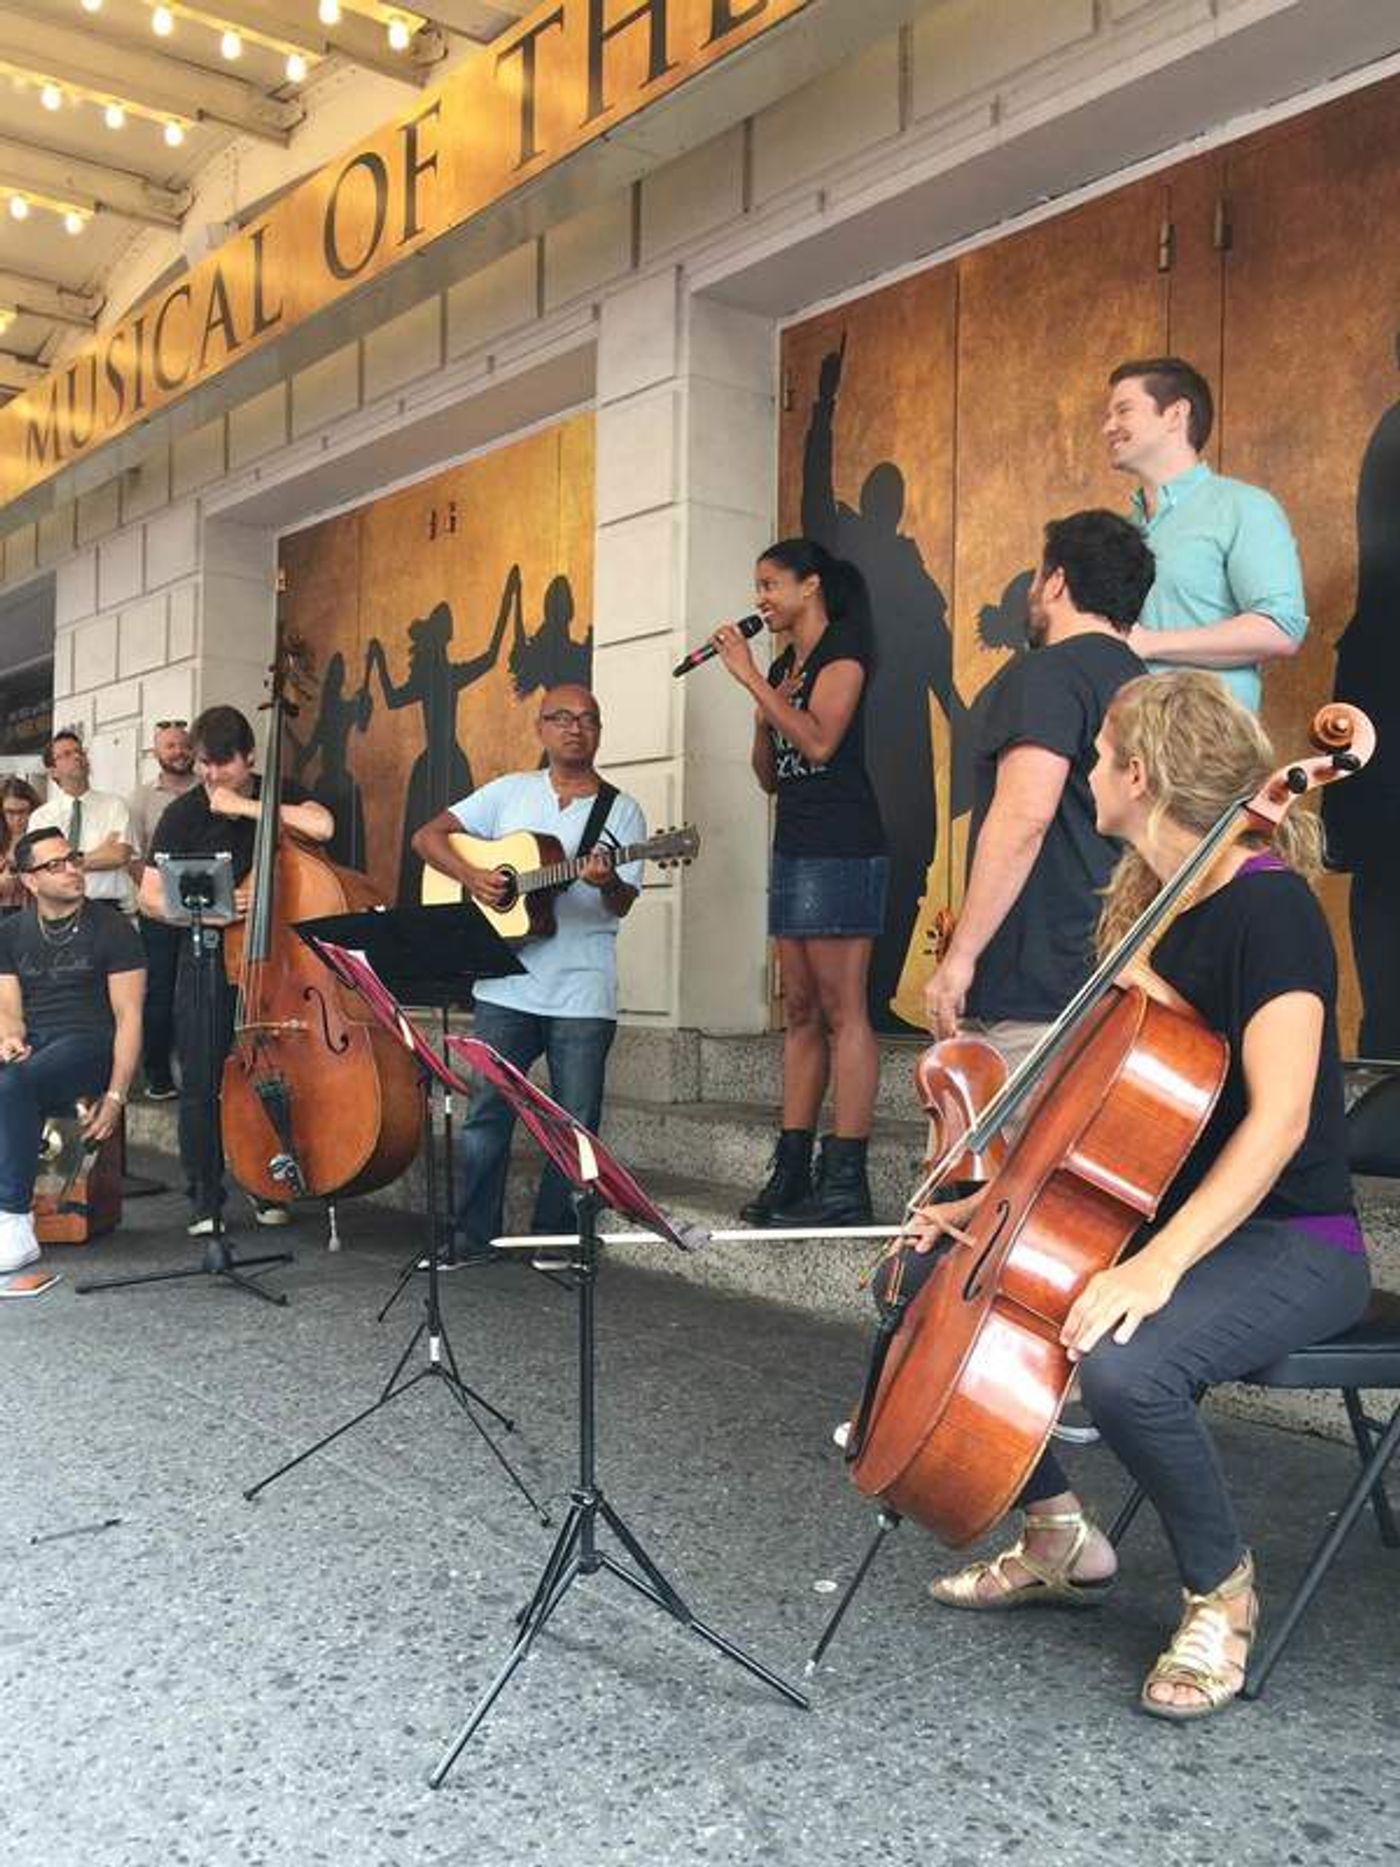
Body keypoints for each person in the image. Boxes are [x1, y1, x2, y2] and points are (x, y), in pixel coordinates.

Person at [919, 671, 1371, 1723]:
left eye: (1098, 754)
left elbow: (1280, 1122)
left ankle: (1220, 1591)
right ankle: (1055, 1536)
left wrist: (1157, 1263)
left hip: (1291, 1239)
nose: (1084, 773)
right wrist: (990, 1206)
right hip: (1179, 1221)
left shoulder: (1270, 908)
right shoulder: (1156, 916)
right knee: (949, 1280)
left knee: (1123, 1369)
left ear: (1140, 772)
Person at [412, 683, 645, 1261]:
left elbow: (622, 903)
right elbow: (427, 837)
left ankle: (557, 1236)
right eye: (562, 718)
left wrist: (606, 880)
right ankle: (473, 1236)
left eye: (589, 719)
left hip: (582, 991)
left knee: (573, 1125)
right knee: (487, 1114)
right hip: (506, 985)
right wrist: (472, 879)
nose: (575, 728)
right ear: (541, 728)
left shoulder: (623, 810)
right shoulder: (509, 793)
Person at [924, 510, 1151, 1072]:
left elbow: (1024, 816)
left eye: (1036, 576)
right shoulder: (1147, 683)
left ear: (1056, 582)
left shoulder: (1046, 674)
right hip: (1118, 981)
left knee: (999, 1160)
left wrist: (962, 957)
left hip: (1039, 987)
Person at [710, 538, 888, 1228]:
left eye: (769, 584)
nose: (760, 599)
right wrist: (761, 716)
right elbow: (772, 772)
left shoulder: (843, 653)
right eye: (757, 586)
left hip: (844, 843)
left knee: (845, 1007)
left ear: (809, 585)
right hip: (797, 843)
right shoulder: (788, 664)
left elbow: (820, 742)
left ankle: (845, 1177)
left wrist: (752, 680)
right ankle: (791, 1168)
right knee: (802, 1009)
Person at [139, 706, 333, 1234]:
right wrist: (209, 909)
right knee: (201, 1079)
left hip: (272, 966)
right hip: (204, 957)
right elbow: (149, 896)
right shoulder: (182, 813)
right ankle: (204, 1199)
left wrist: (246, 807)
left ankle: (266, 1184)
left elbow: (323, 824)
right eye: (203, 764)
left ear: (249, 758)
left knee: (265, 1075)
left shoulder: (276, 792)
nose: (209, 776)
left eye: (222, 765)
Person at [1105, 356, 1307, 710]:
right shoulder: (1121, 532)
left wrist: (1151, 643)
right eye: (1108, 415)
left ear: (1175, 415)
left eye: (1123, 411)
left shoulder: (1243, 507)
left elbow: (1280, 629)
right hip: (1123, 744)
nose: (1108, 427)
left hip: (1208, 750)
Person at [0, 826, 144, 1274]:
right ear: (30, 880)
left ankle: (14, 1221)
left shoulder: (113, 926)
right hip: (39, 1043)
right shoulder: (11, 932)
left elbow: (130, 1018)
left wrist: (117, 1096)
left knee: (14, 1083)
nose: (71, 871)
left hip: (91, 1044)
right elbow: (8, 1009)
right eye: (55, 865)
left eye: (74, 859)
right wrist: (8, 1036)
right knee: (12, 1075)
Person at [127, 722, 198, 1099]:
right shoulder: (141, 799)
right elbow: (134, 858)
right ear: (156, 753)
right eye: (170, 746)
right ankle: (157, 1076)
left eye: (184, 745)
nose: (179, 752)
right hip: (159, 911)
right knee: (160, 991)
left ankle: (198, 1070)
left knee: (198, 989)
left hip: (205, 907)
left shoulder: (209, 789)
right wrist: (156, 897)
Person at [29, 731, 136, 916]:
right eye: (67, 754)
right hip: (58, 908)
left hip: (107, 908)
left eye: (80, 752)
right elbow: (42, 866)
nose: (77, 757)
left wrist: (65, 861)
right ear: (52, 770)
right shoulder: (42, 817)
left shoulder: (114, 806)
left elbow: (118, 855)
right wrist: (99, 852)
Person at [0, 777, 40, 913]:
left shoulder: (43, 837)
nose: (17, 819)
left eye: (22, 811)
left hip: (35, 912)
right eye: (10, 812)